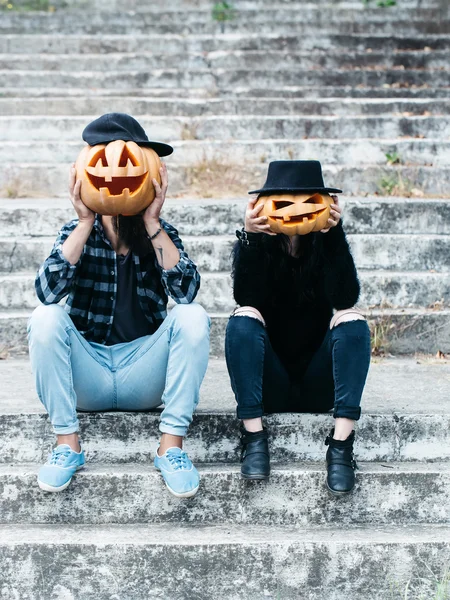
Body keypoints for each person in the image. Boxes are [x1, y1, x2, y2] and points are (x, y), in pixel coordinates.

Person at [28, 113, 210, 498]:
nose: (117, 174)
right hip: (88, 373)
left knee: (192, 316)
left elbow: (187, 292)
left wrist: (153, 222)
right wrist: (82, 222)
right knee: (45, 318)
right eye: (103, 167)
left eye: (132, 164)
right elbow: (46, 292)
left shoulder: (157, 231)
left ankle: (171, 449)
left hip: (142, 373)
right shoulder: (77, 232)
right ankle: (67, 445)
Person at [225, 161, 371, 496]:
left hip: (318, 383)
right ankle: (254, 438)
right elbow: (246, 297)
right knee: (242, 315)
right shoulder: (257, 245)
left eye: (305, 202)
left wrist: (334, 234)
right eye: (283, 202)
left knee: (352, 318)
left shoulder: (324, 244)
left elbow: (345, 296)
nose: (294, 210)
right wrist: (251, 237)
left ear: (322, 203)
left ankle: (341, 446)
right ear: (265, 204)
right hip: (270, 384)